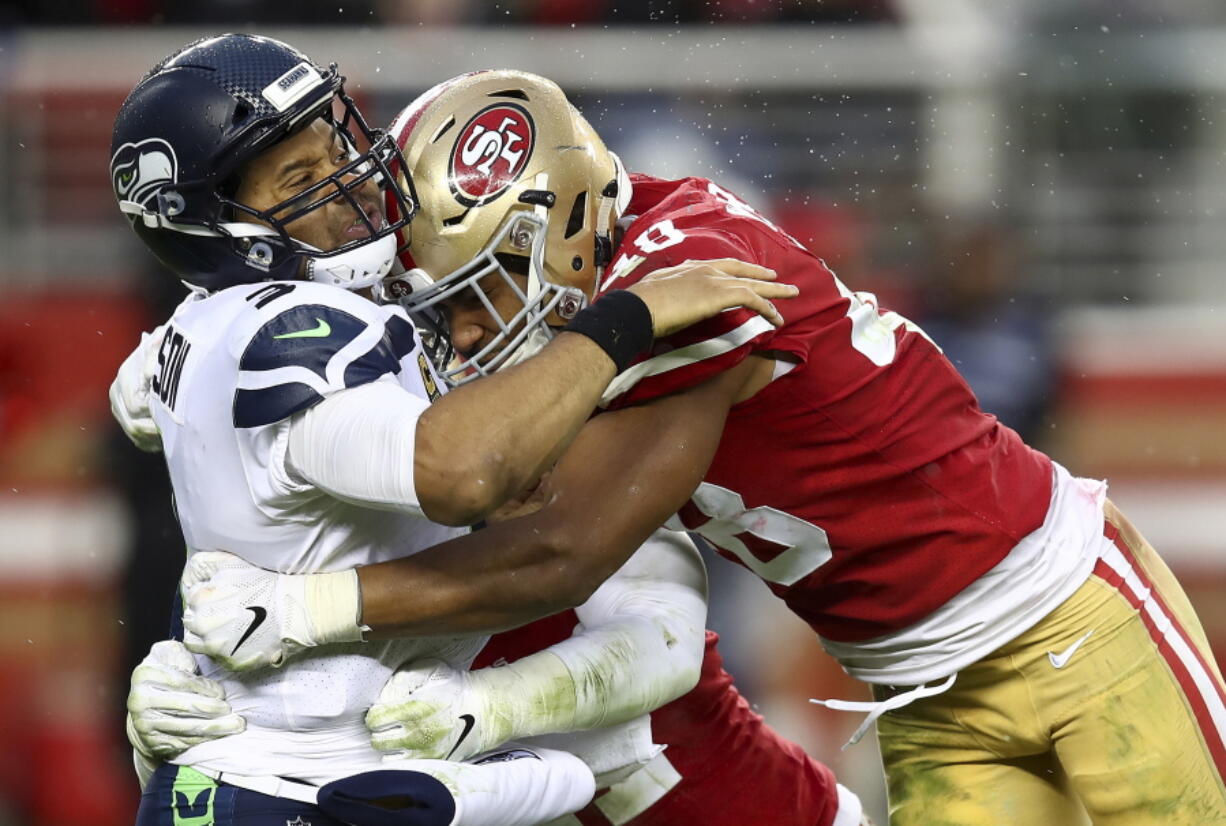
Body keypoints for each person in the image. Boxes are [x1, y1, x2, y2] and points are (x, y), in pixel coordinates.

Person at [178, 69, 1226, 824]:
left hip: (1067, 620)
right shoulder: (597, 295)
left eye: (478, 292)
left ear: (565, 223)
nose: (459, 333)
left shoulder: (686, 292)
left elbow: (557, 551)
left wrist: (313, 610)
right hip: (921, 688)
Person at [109, 35, 794, 826]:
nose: (352, 195)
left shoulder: (632, 366)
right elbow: (253, 517)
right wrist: (194, 668)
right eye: (435, 295)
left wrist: (487, 707)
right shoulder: (330, 319)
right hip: (390, 783)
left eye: (487, 281)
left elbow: (654, 628)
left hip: (681, 792)